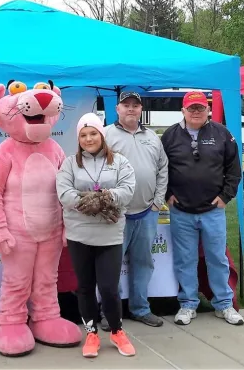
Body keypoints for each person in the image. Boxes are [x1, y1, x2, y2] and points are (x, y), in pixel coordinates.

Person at [56, 112, 137, 358]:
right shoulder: (70, 163)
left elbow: (127, 190)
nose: (89, 139)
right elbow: (64, 194)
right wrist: (90, 202)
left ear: (101, 135)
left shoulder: (120, 162)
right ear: (78, 139)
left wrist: (103, 198)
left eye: (93, 133)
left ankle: (116, 330)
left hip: (109, 236)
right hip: (79, 235)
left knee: (109, 287)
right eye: (83, 135)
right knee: (85, 287)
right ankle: (91, 333)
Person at [160, 90, 244, 326]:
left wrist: (225, 197)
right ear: (183, 111)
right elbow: (160, 169)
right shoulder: (170, 136)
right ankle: (188, 304)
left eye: (200, 108)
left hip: (213, 211)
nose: (196, 112)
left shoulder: (222, 134)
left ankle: (224, 304)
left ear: (208, 110)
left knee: (217, 258)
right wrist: (167, 194)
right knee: (185, 260)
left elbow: (233, 169)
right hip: (181, 212)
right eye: (191, 108)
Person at [99, 92, 168, 330]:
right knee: (111, 266)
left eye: (135, 105)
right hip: (116, 214)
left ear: (141, 110)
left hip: (147, 212)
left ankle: (141, 309)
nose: (131, 109)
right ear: (117, 109)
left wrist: (158, 201)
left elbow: (163, 168)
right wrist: (106, 204)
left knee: (143, 263)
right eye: (126, 105)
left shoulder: (152, 137)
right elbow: (94, 169)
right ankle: (110, 312)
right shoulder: (105, 134)